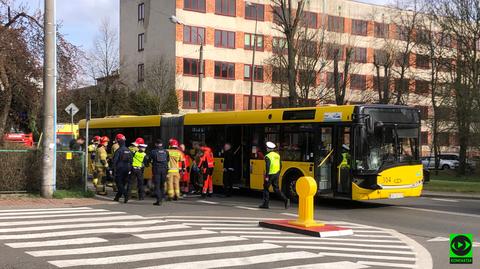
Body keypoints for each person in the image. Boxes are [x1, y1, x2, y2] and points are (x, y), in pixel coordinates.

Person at [259, 141, 290, 209]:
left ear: (268, 149)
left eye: (267, 148)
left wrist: (266, 176)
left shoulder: (267, 156)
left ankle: (265, 204)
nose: (266, 149)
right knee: (276, 189)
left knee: (266, 188)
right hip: (276, 174)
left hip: (270, 174)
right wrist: (278, 172)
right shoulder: (277, 155)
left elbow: (268, 166)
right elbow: (281, 165)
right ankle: (286, 199)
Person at [113, 134, 133, 203]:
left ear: (118, 141)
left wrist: (113, 170)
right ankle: (117, 197)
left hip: (120, 169)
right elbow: (131, 161)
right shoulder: (129, 150)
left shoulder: (118, 151)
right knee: (123, 183)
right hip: (127, 169)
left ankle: (125, 195)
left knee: (119, 184)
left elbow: (115, 161)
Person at [149, 139, 169, 206]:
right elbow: (168, 160)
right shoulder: (166, 151)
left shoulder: (153, 152)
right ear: (162, 144)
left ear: (156, 144)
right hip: (164, 170)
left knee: (157, 185)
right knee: (162, 184)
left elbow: (149, 160)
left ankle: (158, 200)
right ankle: (162, 197)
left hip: (156, 169)